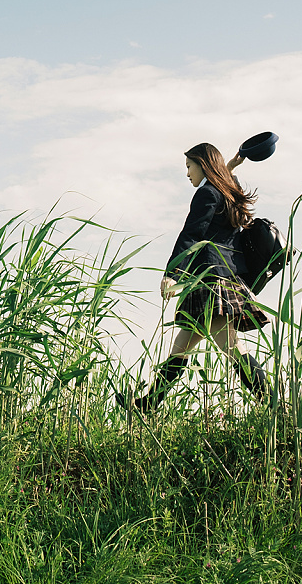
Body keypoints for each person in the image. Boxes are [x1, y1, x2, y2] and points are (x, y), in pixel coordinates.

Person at [120, 142, 271, 414]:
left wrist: (172, 273)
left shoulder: (207, 194)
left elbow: (191, 234)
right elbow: (226, 183)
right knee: (180, 349)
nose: (187, 173)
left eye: (189, 166)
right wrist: (230, 167)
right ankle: (147, 404)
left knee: (232, 348)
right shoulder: (229, 191)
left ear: (203, 165)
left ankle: (276, 405)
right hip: (224, 278)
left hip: (211, 283)